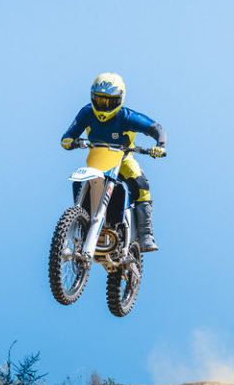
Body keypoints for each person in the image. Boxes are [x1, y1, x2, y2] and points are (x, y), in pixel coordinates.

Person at [60, 72, 167, 252]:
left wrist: (160, 146)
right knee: (79, 181)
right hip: (97, 158)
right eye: (100, 100)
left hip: (123, 159)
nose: (104, 105)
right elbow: (70, 133)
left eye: (109, 102)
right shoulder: (87, 112)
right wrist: (68, 141)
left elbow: (157, 128)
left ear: (119, 100)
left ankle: (145, 235)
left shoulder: (127, 117)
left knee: (141, 184)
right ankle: (78, 224)